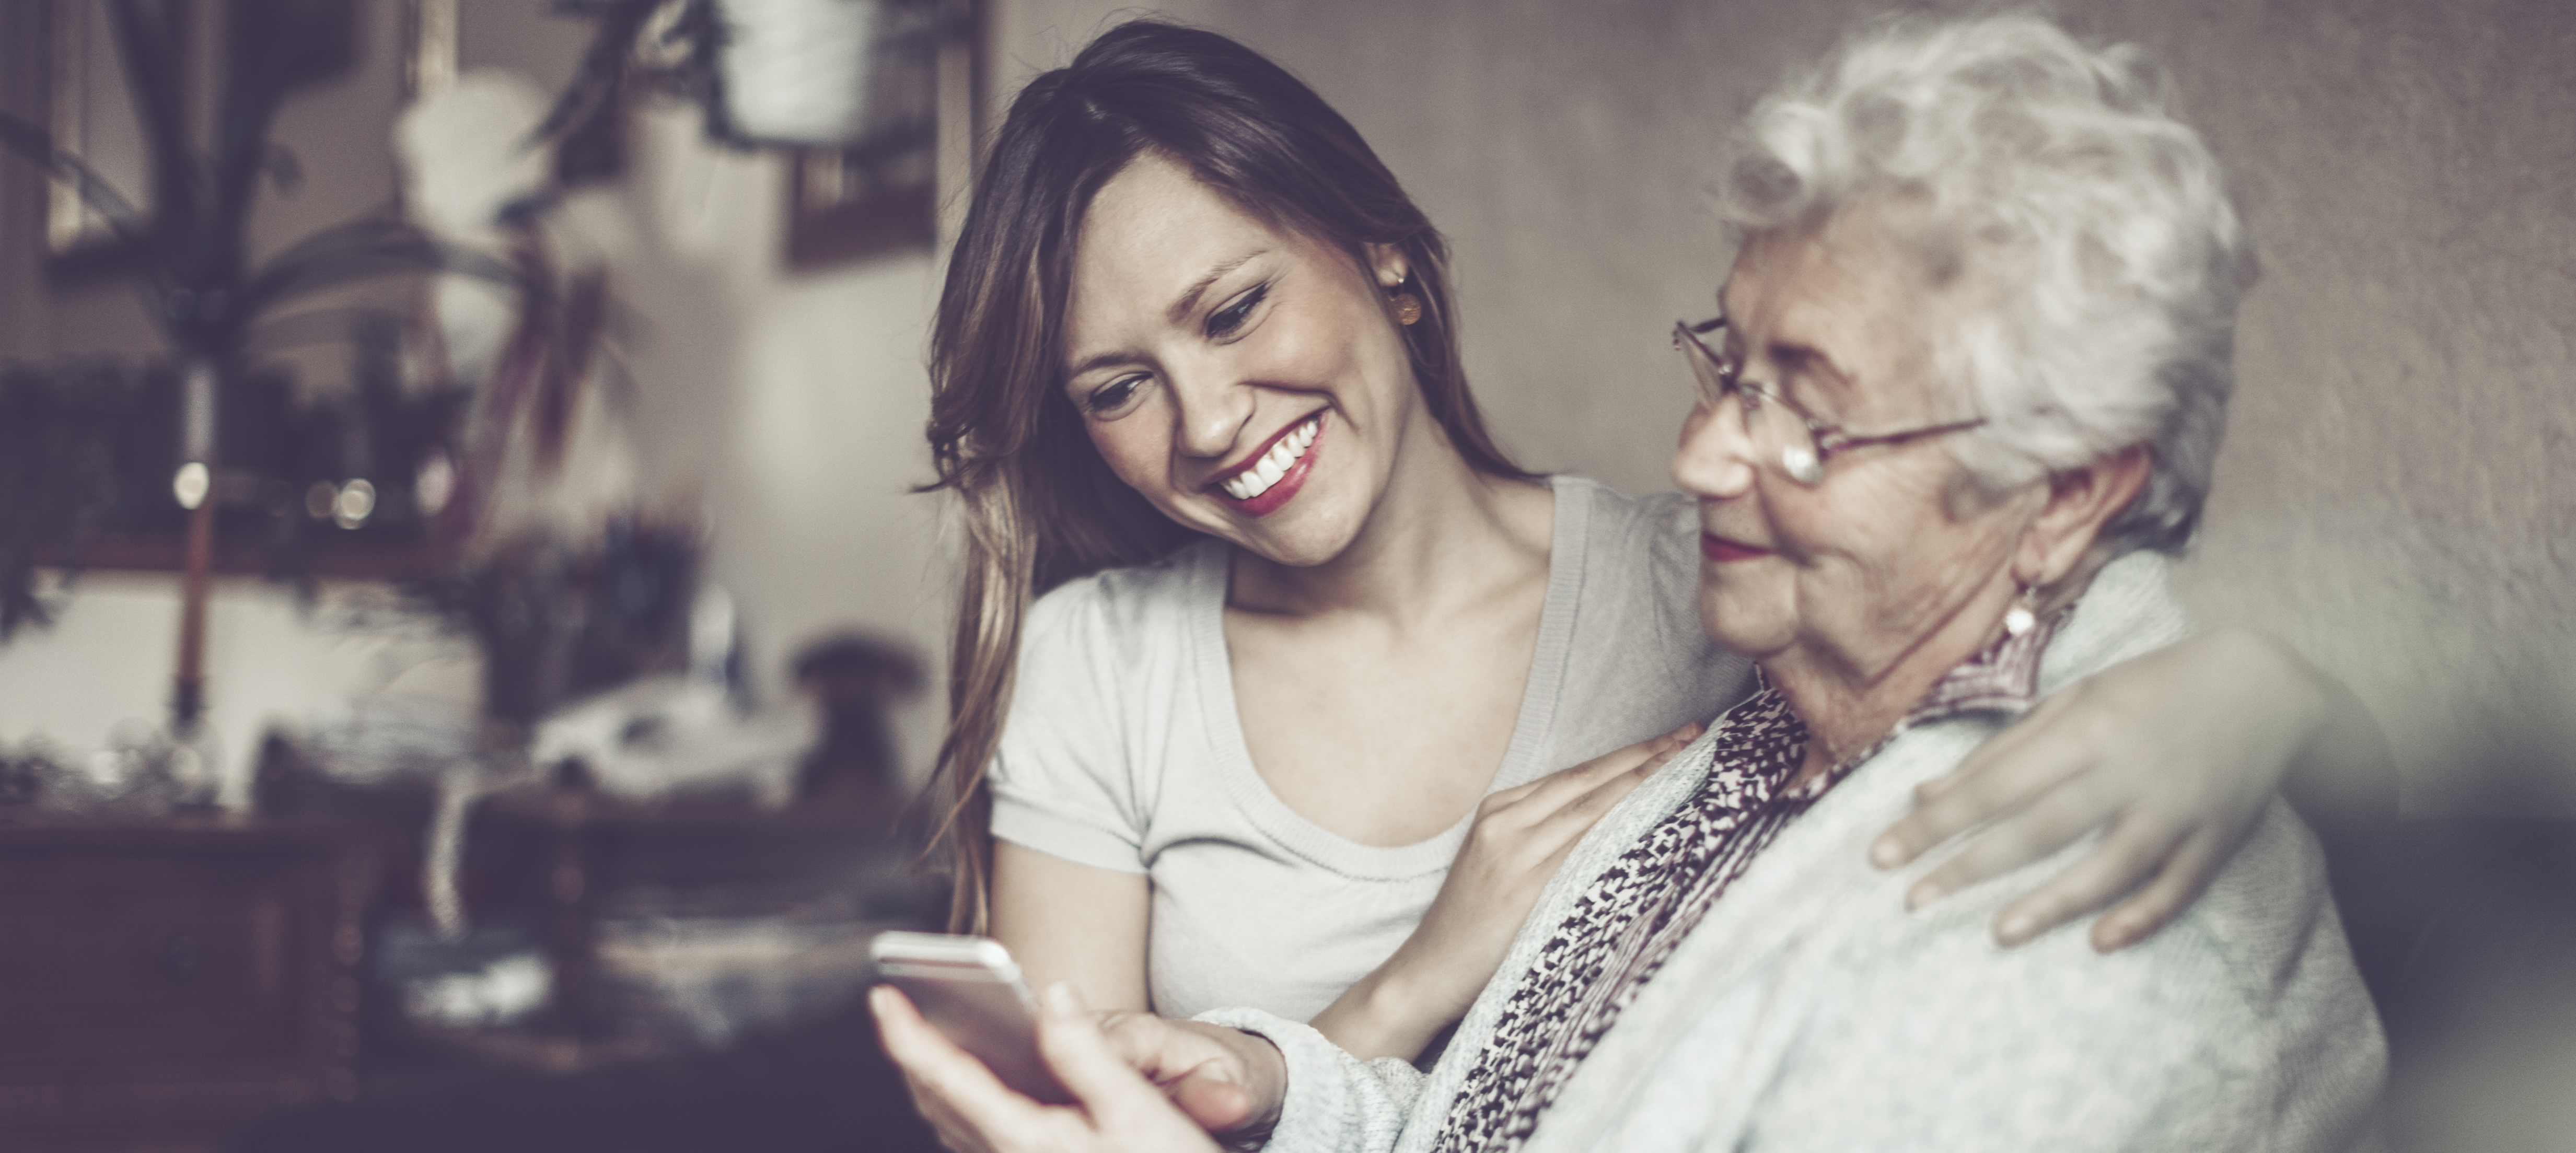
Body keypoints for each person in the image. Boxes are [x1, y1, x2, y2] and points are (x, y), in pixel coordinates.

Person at [877, 13, 2386, 1152]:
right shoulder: (1768, 734)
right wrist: (1282, 1077)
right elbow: (1506, 1115)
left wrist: (2259, 689)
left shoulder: (2062, 896)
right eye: (1728, 366)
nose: (1709, 451)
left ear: (2062, 496)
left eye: (1808, 408)